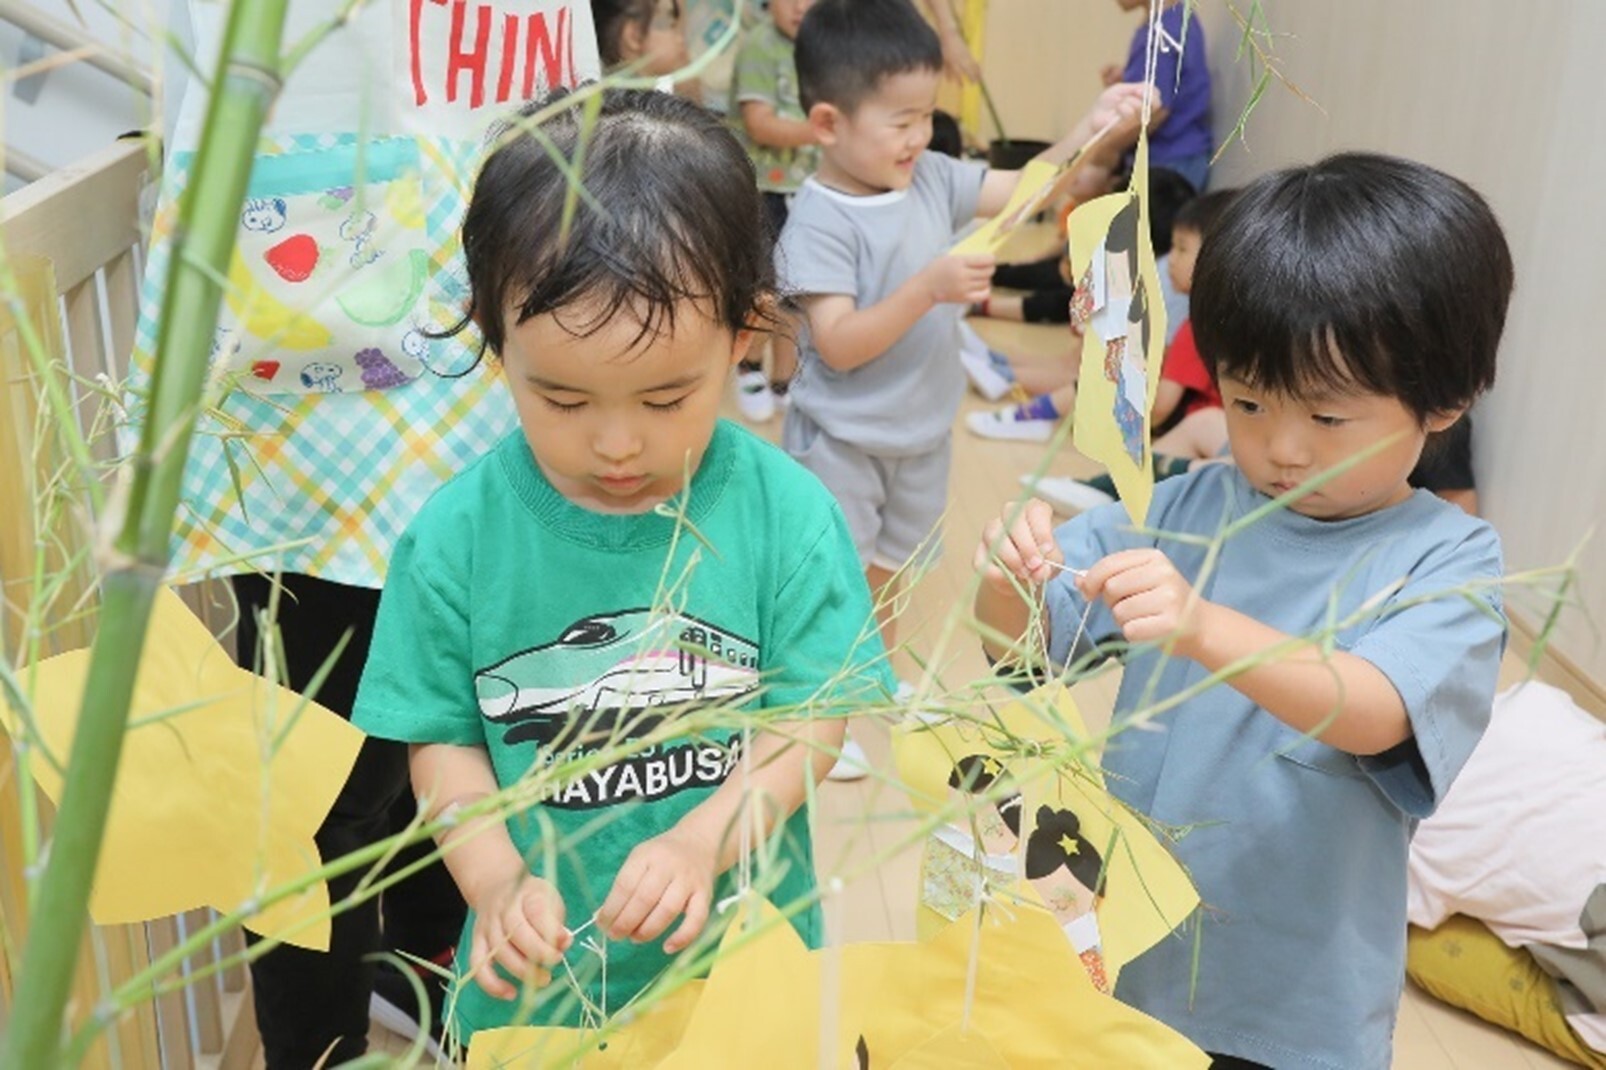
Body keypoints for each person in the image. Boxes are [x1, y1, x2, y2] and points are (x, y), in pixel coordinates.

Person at [351, 88, 892, 1041]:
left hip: (740, 975)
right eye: (561, 400)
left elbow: (808, 726)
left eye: (667, 396)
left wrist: (701, 840)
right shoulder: (454, 539)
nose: (615, 445)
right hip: (544, 997)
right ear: (492, 335)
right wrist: (495, 877)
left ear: (744, 329)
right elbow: (440, 742)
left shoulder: (788, 515)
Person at [974, 153, 1512, 1069]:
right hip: (1132, 970)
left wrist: (1205, 629)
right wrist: (1009, 578)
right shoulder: (1181, 508)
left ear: (1445, 403)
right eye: (1250, 402)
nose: (1280, 448)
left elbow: (1378, 710)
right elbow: (1024, 648)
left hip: (1293, 1006)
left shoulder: (1448, 559)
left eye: (1329, 419)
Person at [777, 0, 1148, 653]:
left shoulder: (929, 176)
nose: (920, 135)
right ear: (829, 123)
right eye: (902, 120)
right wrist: (928, 288)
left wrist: (1090, 129)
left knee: (891, 574)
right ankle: (823, 705)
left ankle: (872, 681)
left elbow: (1024, 188)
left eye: (926, 115)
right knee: (835, 579)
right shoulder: (821, 219)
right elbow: (836, 344)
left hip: (922, 436)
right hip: (843, 440)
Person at [965, 180, 1220, 444]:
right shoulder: (1195, 312)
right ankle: (1011, 381)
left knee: (1098, 374)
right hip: (1174, 407)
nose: (1173, 259)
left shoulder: (1195, 323)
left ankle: (1030, 406)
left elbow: (1162, 405)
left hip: (1178, 420)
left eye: (1182, 248)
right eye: (1173, 247)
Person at [730, 0, 817, 423]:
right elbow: (759, 124)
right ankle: (748, 366)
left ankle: (784, 378)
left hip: (809, 190)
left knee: (797, 292)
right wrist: (824, 130)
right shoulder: (761, 44)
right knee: (763, 289)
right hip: (765, 190)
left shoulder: (823, 44)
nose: (801, 7)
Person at [1104, 0, 1212, 192]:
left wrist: (1106, 149)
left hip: (1168, 161)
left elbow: (1155, 110)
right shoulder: (1178, 18)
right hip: (1182, 154)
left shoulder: (1160, 34)